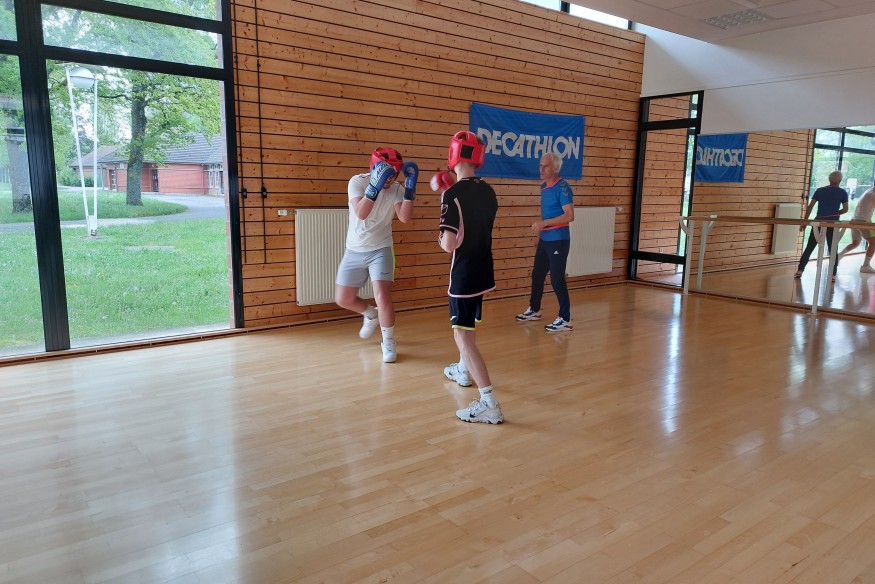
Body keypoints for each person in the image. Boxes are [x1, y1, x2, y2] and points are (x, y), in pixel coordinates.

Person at [434, 131, 503, 424]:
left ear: (453, 155)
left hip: (463, 273)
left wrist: (440, 232)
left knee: (462, 336)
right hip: (483, 269)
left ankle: (489, 403)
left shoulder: (452, 194)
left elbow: (449, 244)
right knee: (468, 328)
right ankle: (463, 370)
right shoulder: (489, 191)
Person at [335, 147, 417, 363]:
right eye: (387, 174)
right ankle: (371, 314)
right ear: (374, 168)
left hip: (381, 248)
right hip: (354, 249)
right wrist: (375, 186)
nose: (390, 179)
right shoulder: (358, 182)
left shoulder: (397, 188)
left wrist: (409, 190)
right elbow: (361, 213)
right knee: (343, 299)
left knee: (382, 295)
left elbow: (404, 218)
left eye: (394, 174)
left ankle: (388, 341)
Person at [515, 152, 575, 332]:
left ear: (555, 168)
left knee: (557, 279)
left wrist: (544, 224)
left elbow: (569, 215)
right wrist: (539, 235)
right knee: (537, 275)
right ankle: (534, 309)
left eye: (545, 166)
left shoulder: (563, 187)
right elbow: (545, 214)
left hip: (558, 240)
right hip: (545, 239)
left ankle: (565, 319)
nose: (541, 169)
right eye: (540, 165)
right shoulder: (543, 187)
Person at [795, 170, 848, 280]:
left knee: (810, 246)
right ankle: (833, 274)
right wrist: (836, 213)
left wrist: (805, 222)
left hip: (818, 222)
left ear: (829, 180)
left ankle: (800, 270)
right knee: (833, 248)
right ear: (840, 180)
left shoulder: (820, 191)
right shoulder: (842, 192)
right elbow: (845, 209)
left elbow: (810, 207)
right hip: (833, 223)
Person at [837, 186, 875, 273]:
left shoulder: (869, 191)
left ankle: (839, 256)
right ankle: (865, 266)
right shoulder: (873, 194)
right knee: (873, 242)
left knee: (855, 243)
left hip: (854, 220)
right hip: (863, 221)